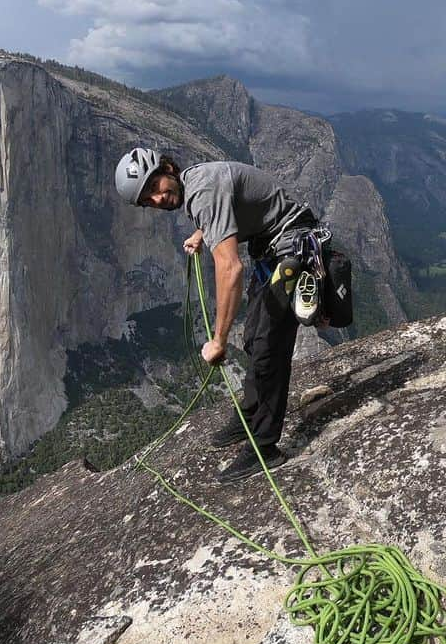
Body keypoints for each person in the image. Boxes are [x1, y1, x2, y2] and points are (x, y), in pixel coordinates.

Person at [115, 146, 317, 482]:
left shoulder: (202, 191)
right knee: (254, 339)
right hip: (273, 247)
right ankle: (251, 414)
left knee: (268, 346)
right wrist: (200, 235)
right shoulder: (192, 183)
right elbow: (223, 212)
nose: (157, 199)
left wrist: (219, 340)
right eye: (146, 200)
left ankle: (264, 447)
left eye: (154, 187)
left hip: (292, 245)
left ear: (166, 167)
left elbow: (230, 267)